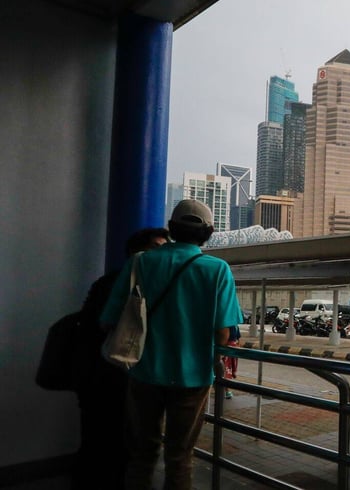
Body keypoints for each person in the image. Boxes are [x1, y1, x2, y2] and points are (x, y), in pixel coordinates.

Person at [101, 199, 244, 490]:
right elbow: (224, 334)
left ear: (172, 228)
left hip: (142, 372)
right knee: (180, 456)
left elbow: (109, 320)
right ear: (209, 232)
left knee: (141, 455)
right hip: (193, 377)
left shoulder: (140, 261)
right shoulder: (217, 269)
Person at [73, 228, 169, 490]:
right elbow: (100, 325)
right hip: (113, 377)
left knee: (99, 444)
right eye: (157, 249)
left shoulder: (105, 282)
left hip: (102, 376)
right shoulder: (124, 284)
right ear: (137, 254)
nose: (162, 256)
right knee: (116, 446)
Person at [223, 323, 241, 399]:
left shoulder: (228, 324)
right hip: (231, 349)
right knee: (227, 370)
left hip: (229, 349)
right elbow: (238, 339)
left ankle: (226, 390)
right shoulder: (234, 325)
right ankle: (226, 390)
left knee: (226, 369)